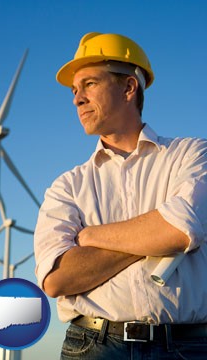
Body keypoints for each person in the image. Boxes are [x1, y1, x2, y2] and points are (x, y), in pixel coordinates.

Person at [34, 32, 207, 359]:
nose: (77, 99)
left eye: (89, 84)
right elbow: (57, 279)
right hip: (93, 345)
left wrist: (90, 237)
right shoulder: (67, 185)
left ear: (129, 88)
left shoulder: (193, 154)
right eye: (74, 90)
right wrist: (152, 236)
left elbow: (180, 228)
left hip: (188, 346)